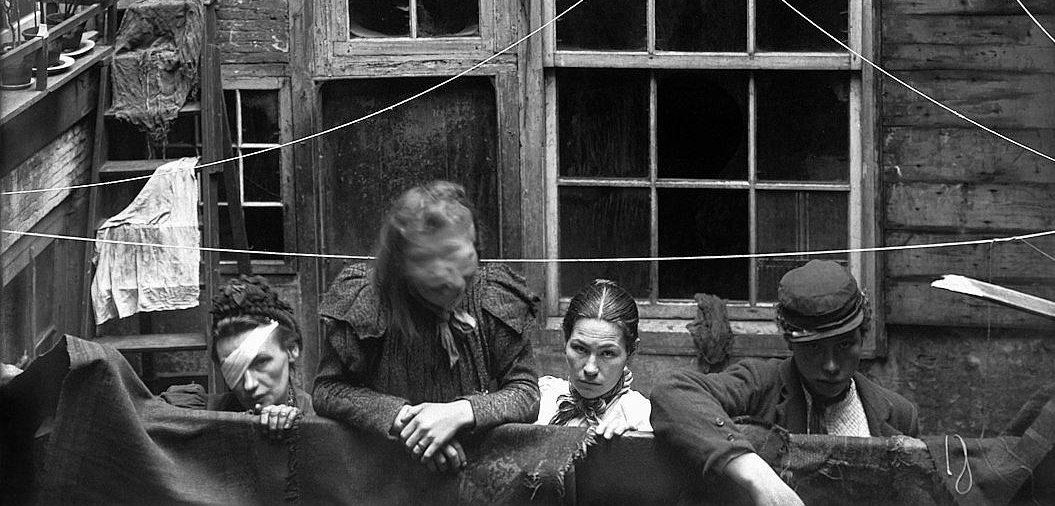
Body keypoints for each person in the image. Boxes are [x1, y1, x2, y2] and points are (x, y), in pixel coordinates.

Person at [313, 181, 540, 474]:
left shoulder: (492, 296)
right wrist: (410, 423)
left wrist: (458, 413)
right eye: (427, 260)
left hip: (475, 473)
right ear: (400, 263)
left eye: (456, 255)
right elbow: (327, 390)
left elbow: (526, 393)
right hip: (385, 474)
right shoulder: (369, 298)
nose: (447, 277)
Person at [651, 259, 921, 506]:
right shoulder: (761, 385)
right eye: (814, 348)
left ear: (863, 336)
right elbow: (673, 390)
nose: (830, 365)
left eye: (844, 344)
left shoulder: (898, 415)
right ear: (790, 341)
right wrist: (755, 473)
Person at [162, 275, 311, 440]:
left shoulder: (319, 418)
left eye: (261, 362)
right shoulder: (202, 412)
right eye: (234, 370)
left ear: (291, 350)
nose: (249, 385)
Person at [537, 278, 652, 437]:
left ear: (631, 353)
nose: (590, 369)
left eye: (607, 353)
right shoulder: (540, 398)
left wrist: (632, 444)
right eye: (580, 348)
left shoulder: (641, 418)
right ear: (565, 341)